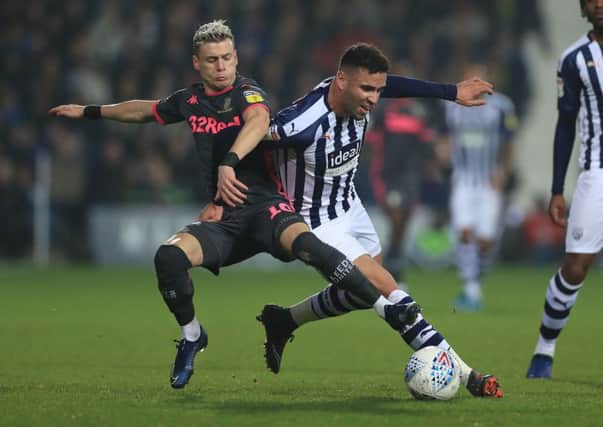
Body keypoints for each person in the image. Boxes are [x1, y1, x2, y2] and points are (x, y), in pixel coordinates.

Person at [49, 20, 419, 390]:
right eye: (212, 60)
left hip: (268, 208)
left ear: (236, 57)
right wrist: (90, 111)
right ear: (197, 63)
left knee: (310, 246)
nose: (222, 66)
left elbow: (258, 122)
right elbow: (145, 110)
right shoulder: (190, 101)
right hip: (225, 217)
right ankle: (192, 335)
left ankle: (387, 308)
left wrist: (229, 162)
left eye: (227, 57)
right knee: (168, 259)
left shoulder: (248, 94)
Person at [254, 43, 503, 397]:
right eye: (366, 89)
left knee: (358, 294)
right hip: (315, 222)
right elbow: (252, 137)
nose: (374, 99)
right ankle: (468, 376)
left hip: (349, 206)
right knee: (387, 288)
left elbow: (395, 85)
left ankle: (284, 320)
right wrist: (225, 177)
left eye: (378, 91)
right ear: (341, 80)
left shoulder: (361, 95)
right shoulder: (299, 123)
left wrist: (451, 92)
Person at [527, 0, 603, 379]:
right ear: (583, 7)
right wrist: (558, 189)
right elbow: (566, 123)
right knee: (575, 267)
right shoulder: (574, 58)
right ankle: (545, 349)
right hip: (596, 172)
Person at [443, 61, 517, 311]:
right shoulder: (450, 106)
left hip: (489, 180)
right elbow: (444, 136)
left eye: (480, 78)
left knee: (485, 241)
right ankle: (471, 290)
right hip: (463, 178)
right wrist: (441, 156)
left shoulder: (502, 106)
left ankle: (474, 281)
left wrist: (504, 171)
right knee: (464, 232)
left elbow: (509, 142)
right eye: (470, 78)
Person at [365, 62, 442, 285]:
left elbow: (426, 144)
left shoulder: (419, 111)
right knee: (396, 218)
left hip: (410, 175)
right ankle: (391, 267)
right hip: (387, 174)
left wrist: (433, 165)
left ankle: (393, 266)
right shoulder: (382, 110)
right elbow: (370, 142)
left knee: (404, 221)